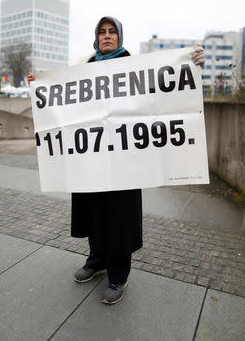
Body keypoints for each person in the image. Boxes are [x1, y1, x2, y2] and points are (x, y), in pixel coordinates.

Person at [28, 16, 205, 305]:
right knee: (93, 212)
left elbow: (165, 91)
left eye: (112, 32)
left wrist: (193, 63)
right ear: (95, 38)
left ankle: (118, 275)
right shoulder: (82, 67)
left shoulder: (135, 65)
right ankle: (96, 260)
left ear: (120, 38)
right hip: (91, 161)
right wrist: (39, 85)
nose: (107, 36)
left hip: (125, 162)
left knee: (119, 218)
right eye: (102, 32)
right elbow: (58, 99)